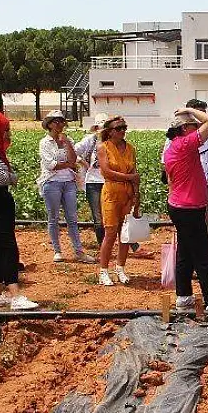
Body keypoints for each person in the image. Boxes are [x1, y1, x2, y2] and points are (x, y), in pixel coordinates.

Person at [164, 107, 208, 311]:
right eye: (194, 125)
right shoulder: (185, 144)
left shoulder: (174, 147)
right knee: (203, 255)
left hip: (181, 206)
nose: (197, 128)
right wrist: (190, 109)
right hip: (189, 208)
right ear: (184, 128)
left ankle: (183, 296)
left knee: (185, 253)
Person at [0, 111, 39, 310]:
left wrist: (7, 175)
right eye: (4, 129)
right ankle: (15, 295)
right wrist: (11, 176)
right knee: (7, 247)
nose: (7, 133)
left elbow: (3, 175)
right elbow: (4, 177)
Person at [37, 110, 95, 263]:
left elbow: (73, 158)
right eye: (56, 121)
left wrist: (67, 144)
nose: (60, 124)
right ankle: (57, 250)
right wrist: (68, 164)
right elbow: (51, 165)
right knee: (53, 217)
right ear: (49, 124)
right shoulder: (44, 142)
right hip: (51, 182)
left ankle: (78, 251)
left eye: (62, 121)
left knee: (72, 218)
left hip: (69, 181)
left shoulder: (67, 139)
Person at [96, 116, 139, 286]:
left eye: (124, 127)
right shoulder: (103, 148)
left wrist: (137, 196)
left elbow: (136, 175)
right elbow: (106, 172)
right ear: (110, 131)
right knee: (110, 232)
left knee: (125, 233)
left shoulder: (130, 148)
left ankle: (120, 268)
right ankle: (103, 271)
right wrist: (129, 177)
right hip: (111, 192)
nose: (123, 131)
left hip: (127, 194)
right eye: (119, 128)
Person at [74, 112, 109, 246]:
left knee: (114, 215)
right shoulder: (90, 140)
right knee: (98, 218)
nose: (102, 131)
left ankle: (129, 244)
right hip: (93, 182)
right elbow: (73, 151)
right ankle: (103, 246)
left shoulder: (114, 142)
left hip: (110, 182)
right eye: (100, 128)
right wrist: (82, 162)